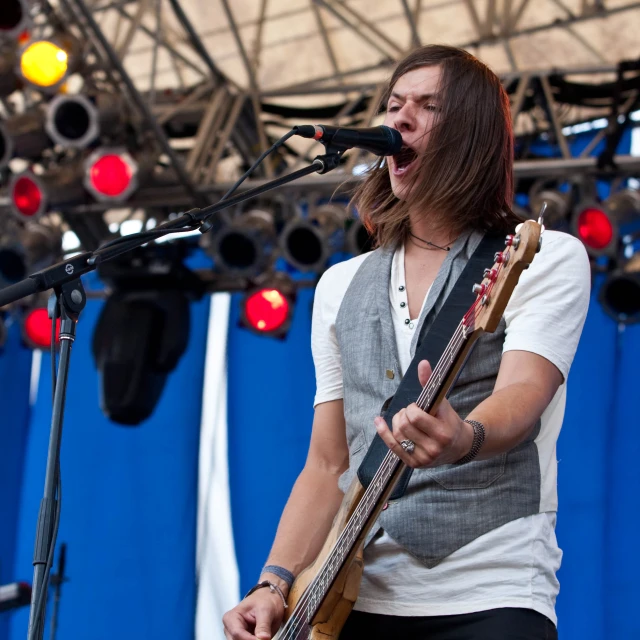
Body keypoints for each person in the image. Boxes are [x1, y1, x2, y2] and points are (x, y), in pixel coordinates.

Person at [223, 44, 591, 640]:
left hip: (490, 592)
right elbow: (327, 463)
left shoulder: (543, 256)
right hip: (353, 598)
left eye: (427, 106)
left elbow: (524, 394)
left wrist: (463, 438)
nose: (399, 119)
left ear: (471, 134)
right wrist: (274, 582)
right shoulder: (339, 285)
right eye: (393, 105)